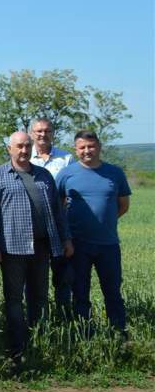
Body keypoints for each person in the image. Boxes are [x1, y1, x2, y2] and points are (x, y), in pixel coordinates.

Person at [0, 132, 72, 362]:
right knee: (14, 298)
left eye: (27, 146)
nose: (24, 150)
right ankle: (17, 347)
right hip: (12, 248)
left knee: (40, 296)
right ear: (9, 149)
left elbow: (58, 211)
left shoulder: (43, 175)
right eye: (19, 146)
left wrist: (66, 239)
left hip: (42, 246)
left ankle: (40, 343)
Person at [56, 130, 131, 336]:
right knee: (80, 293)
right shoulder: (66, 174)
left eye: (91, 146)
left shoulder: (115, 173)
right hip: (77, 244)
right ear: (76, 149)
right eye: (82, 147)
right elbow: (58, 208)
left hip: (108, 244)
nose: (87, 151)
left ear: (99, 147)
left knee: (113, 291)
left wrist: (104, 223)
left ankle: (118, 333)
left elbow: (123, 205)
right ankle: (85, 335)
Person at [28, 117, 75, 317]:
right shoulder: (24, 156)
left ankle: (63, 317)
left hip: (59, 224)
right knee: (34, 277)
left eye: (47, 131)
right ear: (31, 133)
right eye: (38, 131)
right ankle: (37, 317)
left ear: (53, 133)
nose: (43, 134)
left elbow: (71, 192)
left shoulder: (66, 159)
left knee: (62, 275)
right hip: (33, 227)